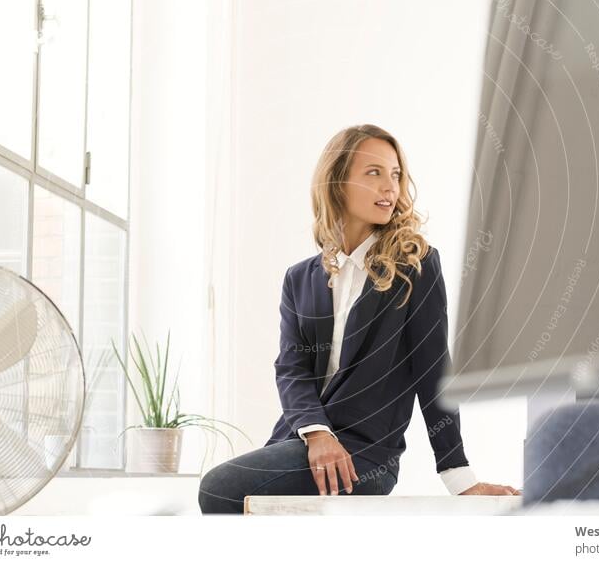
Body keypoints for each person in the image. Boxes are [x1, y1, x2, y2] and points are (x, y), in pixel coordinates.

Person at [198, 124, 520, 514]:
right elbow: (292, 368)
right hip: (302, 443)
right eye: (374, 173)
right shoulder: (300, 278)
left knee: (219, 489)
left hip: (365, 458)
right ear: (336, 182)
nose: (390, 187)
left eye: (396, 175)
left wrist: (459, 477)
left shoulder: (414, 265)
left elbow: (433, 370)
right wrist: (317, 433)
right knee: (238, 502)